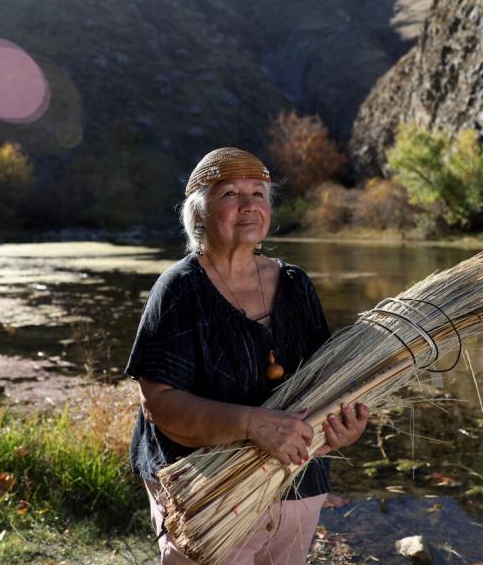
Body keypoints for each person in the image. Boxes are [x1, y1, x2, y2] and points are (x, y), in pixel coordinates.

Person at [124, 147, 370, 564]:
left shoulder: (296, 285)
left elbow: (326, 382)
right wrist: (250, 423)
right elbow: (159, 403)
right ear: (199, 213)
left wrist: (341, 429)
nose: (248, 205)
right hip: (207, 488)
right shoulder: (180, 289)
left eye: (258, 193)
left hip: (296, 481)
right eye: (229, 194)